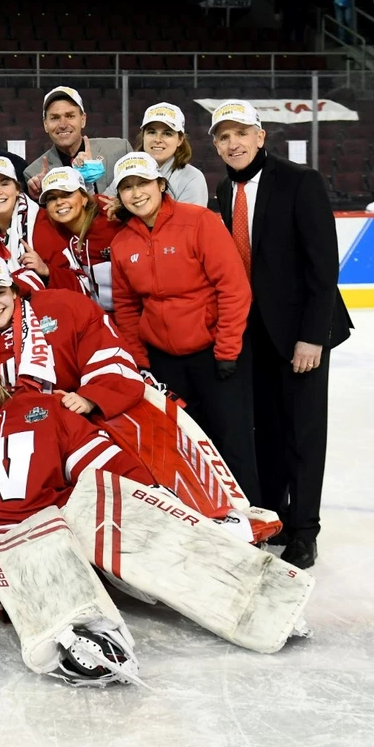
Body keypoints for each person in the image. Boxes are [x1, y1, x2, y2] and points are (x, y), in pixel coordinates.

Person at [0, 345, 312, 685]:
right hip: (7, 534)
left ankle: (252, 592)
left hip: (64, 507)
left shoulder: (44, 408)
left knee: (132, 519)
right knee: (36, 543)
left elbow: (98, 458)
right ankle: (80, 636)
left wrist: (144, 495)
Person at [210, 99, 352, 569]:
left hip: (299, 336)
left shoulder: (299, 181)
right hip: (253, 336)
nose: (233, 143)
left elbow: (323, 265)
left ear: (260, 136)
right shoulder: (220, 192)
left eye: (240, 133)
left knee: (304, 434)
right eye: (223, 136)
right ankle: (280, 517)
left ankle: (306, 531)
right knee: (266, 431)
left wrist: (312, 336)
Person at [108, 151, 260, 506]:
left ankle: (252, 522)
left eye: (143, 183)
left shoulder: (200, 221)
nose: (136, 193)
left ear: (161, 185)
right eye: (127, 187)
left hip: (216, 356)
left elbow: (234, 288)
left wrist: (226, 350)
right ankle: (204, 521)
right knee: (184, 449)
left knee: (232, 443)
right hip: (165, 362)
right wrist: (140, 359)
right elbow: (127, 308)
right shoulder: (121, 243)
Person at [0, 258, 143, 418]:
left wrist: (89, 398)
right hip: (10, 433)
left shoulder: (64, 307)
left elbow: (106, 350)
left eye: (0, 292)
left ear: (14, 292)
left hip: (75, 419)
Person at [32, 166, 120, 306]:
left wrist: (126, 211)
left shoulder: (112, 220)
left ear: (84, 197)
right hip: (93, 316)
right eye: (52, 198)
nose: (59, 202)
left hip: (130, 315)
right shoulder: (54, 233)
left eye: (67, 194)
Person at [23, 86, 133, 197]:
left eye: (70, 116)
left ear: (83, 119)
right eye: (55, 118)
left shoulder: (120, 150)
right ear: (45, 124)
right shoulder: (34, 173)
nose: (63, 125)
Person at [102, 103, 207, 208]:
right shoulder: (128, 168)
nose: (157, 139)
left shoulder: (193, 178)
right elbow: (103, 205)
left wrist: (124, 212)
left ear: (180, 140)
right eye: (152, 132)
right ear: (143, 136)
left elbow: (189, 222)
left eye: (167, 134)